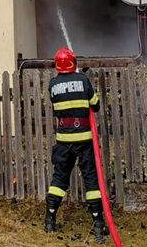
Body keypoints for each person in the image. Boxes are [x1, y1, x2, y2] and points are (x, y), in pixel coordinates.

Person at [44, 46, 107, 243]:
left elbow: (57, 106)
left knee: (59, 179)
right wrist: (83, 84)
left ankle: (49, 220)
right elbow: (95, 105)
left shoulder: (53, 84)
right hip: (84, 139)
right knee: (91, 180)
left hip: (64, 141)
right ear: (74, 62)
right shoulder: (83, 80)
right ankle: (98, 223)